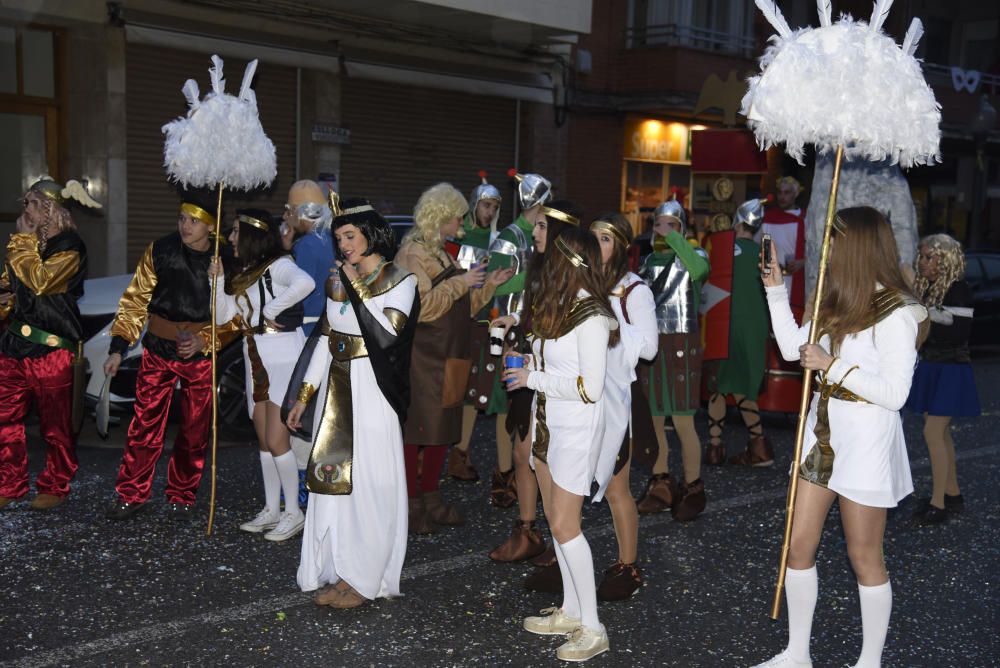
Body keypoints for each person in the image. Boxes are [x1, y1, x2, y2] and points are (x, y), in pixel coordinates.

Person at [752, 206, 927, 668]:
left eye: (833, 241)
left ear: (856, 247)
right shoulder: (836, 298)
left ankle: (870, 662)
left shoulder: (898, 312)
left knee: (864, 553)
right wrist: (774, 292)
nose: (825, 249)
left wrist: (832, 366)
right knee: (798, 545)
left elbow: (894, 394)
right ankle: (796, 653)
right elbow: (796, 351)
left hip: (868, 439)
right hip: (822, 434)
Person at [288, 199, 419, 609]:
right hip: (335, 391)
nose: (344, 246)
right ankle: (340, 572)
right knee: (334, 488)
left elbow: (386, 335)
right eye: (339, 238)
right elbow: (328, 342)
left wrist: (356, 285)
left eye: (350, 236)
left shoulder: (402, 279)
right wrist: (303, 398)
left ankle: (366, 579)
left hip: (373, 392)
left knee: (369, 486)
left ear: (371, 234)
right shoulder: (338, 280)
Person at [503, 226, 619, 662]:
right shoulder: (561, 306)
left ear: (569, 262)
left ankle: (594, 626)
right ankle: (572, 611)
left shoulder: (590, 316)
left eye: (552, 256)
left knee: (567, 526)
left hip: (576, 429)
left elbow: (590, 387)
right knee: (557, 523)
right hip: (550, 423)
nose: (543, 264)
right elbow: (556, 366)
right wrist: (533, 365)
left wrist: (532, 377)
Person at [105, 192, 236, 521]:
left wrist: (205, 340)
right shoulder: (161, 250)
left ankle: (182, 493)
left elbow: (236, 317)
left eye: (194, 221)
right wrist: (119, 347)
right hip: (159, 351)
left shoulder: (227, 259)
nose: (185, 226)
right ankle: (131, 493)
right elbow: (135, 301)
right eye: (181, 218)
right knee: (143, 425)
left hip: (200, 355)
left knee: (194, 428)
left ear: (210, 226)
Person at [394, 183, 511, 534]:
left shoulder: (442, 252)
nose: (461, 221)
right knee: (418, 430)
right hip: (425, 356)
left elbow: (464, 306)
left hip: (450, 354)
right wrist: (463, 283)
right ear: (440, 216)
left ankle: (431, 498)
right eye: (456, 215)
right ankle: (411, 504)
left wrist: (487, 284)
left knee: (443, 429)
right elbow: (423, 308)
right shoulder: (412, 253)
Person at [208, 209, 315, 541]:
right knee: (264, 440)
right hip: (255, 357)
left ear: (254, 235)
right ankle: (271, 509)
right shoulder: (246, 273)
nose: (232, 237)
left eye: (237, 231)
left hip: (283, 355)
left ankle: (293, 513)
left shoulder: (278, 265)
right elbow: (224, 316)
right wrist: (217, 281)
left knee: (277, 439)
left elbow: (306, 283)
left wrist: (271, 310)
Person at [488, 198, 578, 564]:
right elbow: (529, 310)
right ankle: (528, 530)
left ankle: (564, 539)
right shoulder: (539, 268)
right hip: (529, 366)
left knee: (552, 459)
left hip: (555, 378)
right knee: (522, 451)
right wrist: (513, 321)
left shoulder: (573, 275)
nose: (534, 232)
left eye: (541, 227)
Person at [0, 178, 93, 510]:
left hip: (52, 350)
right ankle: (10, 484)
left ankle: (55, 484)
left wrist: (22, 240)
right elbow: (10, 287)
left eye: (29, 203)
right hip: (14, 347)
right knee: (4, 419)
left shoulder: (70, 246)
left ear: (47, 207)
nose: (24, 210)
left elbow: (40, 282)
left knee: (56, 426)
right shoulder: (26, 245)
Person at [590, 214, 658, 600]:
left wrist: (612, 325)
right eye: (594, 238)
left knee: (617, 484)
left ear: (620, 246)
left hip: (619, 396)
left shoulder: (634, 290)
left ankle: (628, 564)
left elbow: (649, 347)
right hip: (582, 391)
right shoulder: (585, 281)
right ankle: (563, 550)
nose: (597, 245)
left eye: (605, 239)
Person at [634, 199, 710, 522]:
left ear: (681, 227)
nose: (662, 229)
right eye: (658, 224)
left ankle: (693, 486)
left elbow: (700, 270)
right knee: (652, 417)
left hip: (682, 342)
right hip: (653, 343)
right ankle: (661, 482)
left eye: (670, 223)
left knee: (681, 419)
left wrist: (677, 238)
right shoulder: (646, 260)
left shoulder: (696, 256)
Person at [483, 172, 552, 512]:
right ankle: (505, 474)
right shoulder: (509, 239)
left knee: (532, 406)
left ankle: (526, 471)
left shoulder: (546, 234)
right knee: (505, 406)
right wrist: (535, 276)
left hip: (538, 330)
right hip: (510, 331)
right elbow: (491, 288)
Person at [906, 234, 980, 525]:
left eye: (929, 257)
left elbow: (958, 332)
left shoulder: (959, 290)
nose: (922, 262)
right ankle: (952, 494)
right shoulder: (932, 287)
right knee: (940, 433)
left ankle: (938, 504)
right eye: (922, 256)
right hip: (933, 367)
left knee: (933, 433)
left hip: (951, 369)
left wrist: (926, 315)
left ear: (944, 259)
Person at [278, 180, 337, 503]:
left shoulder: (305, 246)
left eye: (290, 211)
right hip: (329, 333)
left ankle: (302, 490)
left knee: (300, 409)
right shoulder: (330, 240)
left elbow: (294, 292)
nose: (286, 217)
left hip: (306, 334)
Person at [705, 199, 773, 467]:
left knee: (719, 383)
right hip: (754, 326)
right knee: (744, 384)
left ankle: (714, 446)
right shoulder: (765, 251)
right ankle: (759, 445)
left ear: (737, 221)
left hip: (725, 324)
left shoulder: (720, 249)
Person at [449, 172, 503, 483]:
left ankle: (460, 453)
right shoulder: (457, 235)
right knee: (450, 388)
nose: (490, 211)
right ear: (474, 205)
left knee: (474, 391)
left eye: (495, 206)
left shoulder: (499, 240)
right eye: (485, 205)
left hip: (485, 321)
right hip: (457, 320)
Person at [761, 176, 807, 318]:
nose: (782, 196)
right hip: (774, 281)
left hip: (797, 281)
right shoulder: (768, 218)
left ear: (795, 194)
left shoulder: (805, 219)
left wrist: (803, 262)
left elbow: (815, 250)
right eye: (780, 192)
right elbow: (765, 249)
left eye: (786, 193)